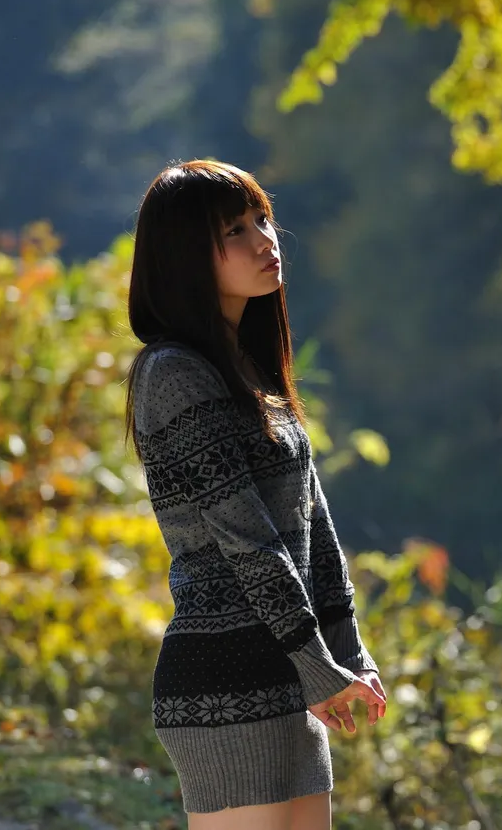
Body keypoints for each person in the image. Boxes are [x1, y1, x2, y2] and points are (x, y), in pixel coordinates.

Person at [123, 159, 388, 830]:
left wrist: (346, 652)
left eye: (262, 219)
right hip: (224, 682)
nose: (265, 240)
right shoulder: (173, 374)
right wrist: (318, 664)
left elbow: (312, 525)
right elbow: (250, 541)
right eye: (234, 230)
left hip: (290, 674)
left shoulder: (254, 375)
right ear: (186, 255)